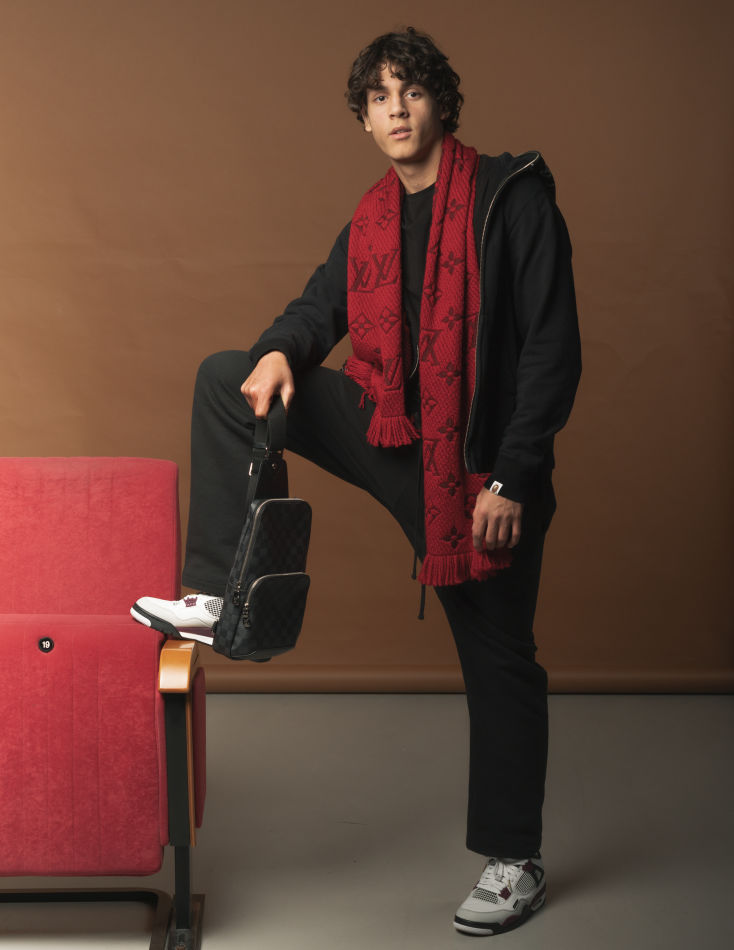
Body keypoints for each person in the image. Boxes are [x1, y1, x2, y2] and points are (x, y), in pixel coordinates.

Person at [131, 27, 581, 937]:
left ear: (442, 102)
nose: (397, 109)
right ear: (365, 120)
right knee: (231, 377)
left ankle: (515, 859)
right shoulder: (374, 219)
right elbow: (318, 306)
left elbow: (551, 350)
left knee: (500, 658)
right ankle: (219, 594)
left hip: (480, 473)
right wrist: (278, 352)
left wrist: (514, 478)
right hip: (393, 436)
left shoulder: (511, 200)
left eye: (411, 90)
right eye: (379, 98)